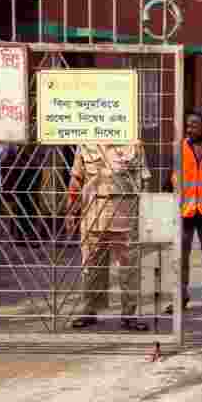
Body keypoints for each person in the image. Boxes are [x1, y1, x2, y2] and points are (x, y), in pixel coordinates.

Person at [66, 141, 151, 330]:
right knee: (91, 264)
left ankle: (129, 315)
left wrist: (146, 213)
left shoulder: (134, 144)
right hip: (93, 215)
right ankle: (89, 311)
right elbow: (76, 179)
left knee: (129, 267)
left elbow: (144, 181)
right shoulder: (86, 144)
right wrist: (71, 211)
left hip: (125, 215)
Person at [165, 108, 202, 315]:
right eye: (187, 125)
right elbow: (170, 178)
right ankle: (180, 298)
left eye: (194, 125)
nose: (189, 129)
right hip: (185, 211)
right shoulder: (180, 147)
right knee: (181, 258)